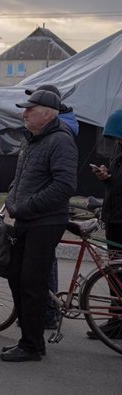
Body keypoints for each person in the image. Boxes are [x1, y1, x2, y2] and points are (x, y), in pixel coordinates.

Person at [1, 90, 77, 362]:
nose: (24, 113)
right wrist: (11, 198)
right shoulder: (33, 139)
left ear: (47, 113)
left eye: (29, 110)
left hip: (44, 222)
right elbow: (20, 178)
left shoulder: (60, 140)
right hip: (26, 220)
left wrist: (26, 206)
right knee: (15, 277)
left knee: (32, 283)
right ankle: (28, 339)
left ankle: (32, 345)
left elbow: (65, 185)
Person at [89, 108, 122, 340]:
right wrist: (107, 176)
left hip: (121, 220)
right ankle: (115, 319)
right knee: (114, 273)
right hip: (115, 217)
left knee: (118, 272)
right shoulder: (119, 151)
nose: (116, 141)